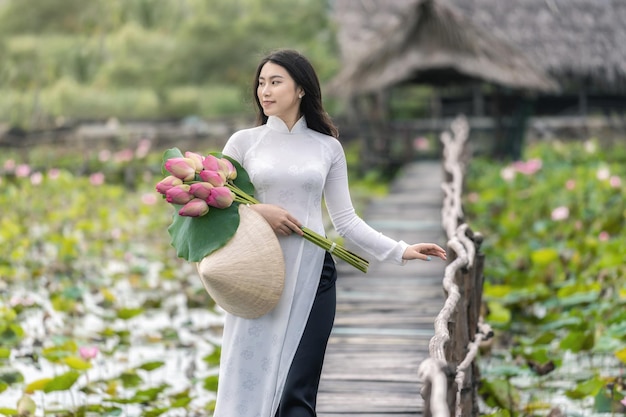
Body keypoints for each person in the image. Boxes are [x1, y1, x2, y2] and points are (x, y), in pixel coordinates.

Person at [217, 49, 447, 417]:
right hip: (257, 274)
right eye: (261, 82)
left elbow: (346, 221)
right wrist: (258, 211)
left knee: (298, 390)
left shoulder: (327, 147)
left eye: (276, 81)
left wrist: (400, 250)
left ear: (301, 89)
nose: (265, 90)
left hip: (313, 274)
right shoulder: (244, 143)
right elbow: (219, 204)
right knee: (251, 377)